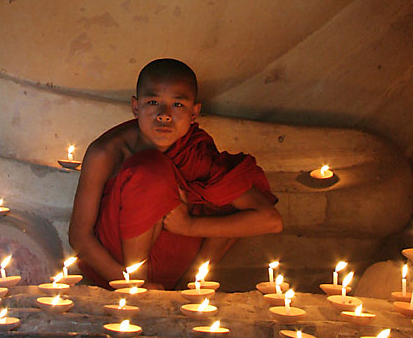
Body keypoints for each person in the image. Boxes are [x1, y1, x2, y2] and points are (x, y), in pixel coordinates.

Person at [69, 58, 282, 289]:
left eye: (178, 105)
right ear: (135, 107)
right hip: (115, 271)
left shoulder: (198, 154)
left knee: (225, 191)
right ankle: (137, 288)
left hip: (173, 265)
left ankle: (189, 286)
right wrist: (130, 285)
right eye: (153, 102)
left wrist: (189, 225)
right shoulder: (105, 152)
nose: (164, 115)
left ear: (194, 113)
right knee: (150, 169)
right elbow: (79, 237)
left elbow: (270, 221)